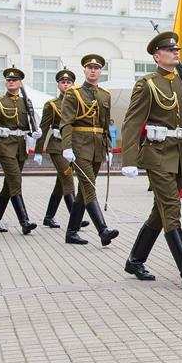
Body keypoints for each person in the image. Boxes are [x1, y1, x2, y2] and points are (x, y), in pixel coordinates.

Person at [120, 32, 182, 289]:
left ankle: (135, 260)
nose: (175, 53)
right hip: (157, 155)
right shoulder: (147, 83)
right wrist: (128, 159)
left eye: (177, 49)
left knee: (159, 213)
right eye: (170, 50)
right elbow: (132, 122)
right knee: (172, 210)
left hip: (179, 154)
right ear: (156, 56)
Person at [60, 55, 118, 246]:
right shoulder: (73, 93)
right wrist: (67, 147)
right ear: (84, 70)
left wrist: (109, 147)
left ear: (100, 71)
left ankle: (71, 232)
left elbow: (106, 123)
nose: (93, 70)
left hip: (97, 147)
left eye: (97, 68)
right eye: (89, 67)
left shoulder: (105, 94)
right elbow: (66, 123)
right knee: (90, 186)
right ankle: (103, 230)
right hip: (79, 146)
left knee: (82, 191)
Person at [0, 67, 40, 235]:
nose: (11, 82)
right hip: (4, 146)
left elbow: (27, 125)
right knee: (15, 181)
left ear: (20, 83)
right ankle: (24, 221)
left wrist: (33, 132)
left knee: (9, 185)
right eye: (9, 80)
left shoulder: (26, 102)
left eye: (14, 80)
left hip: (20, 146)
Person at [34, 68, 89, 230]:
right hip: (57, 146)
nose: (66, 85)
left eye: (69, 82)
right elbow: (43, 129)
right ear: (58, 85)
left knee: (61, 184)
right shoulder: (51, 105)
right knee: (67, 177)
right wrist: (38, 151)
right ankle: (75, 217)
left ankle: (49, 217)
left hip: (73, 146)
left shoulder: (78, 102)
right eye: (63, 82)